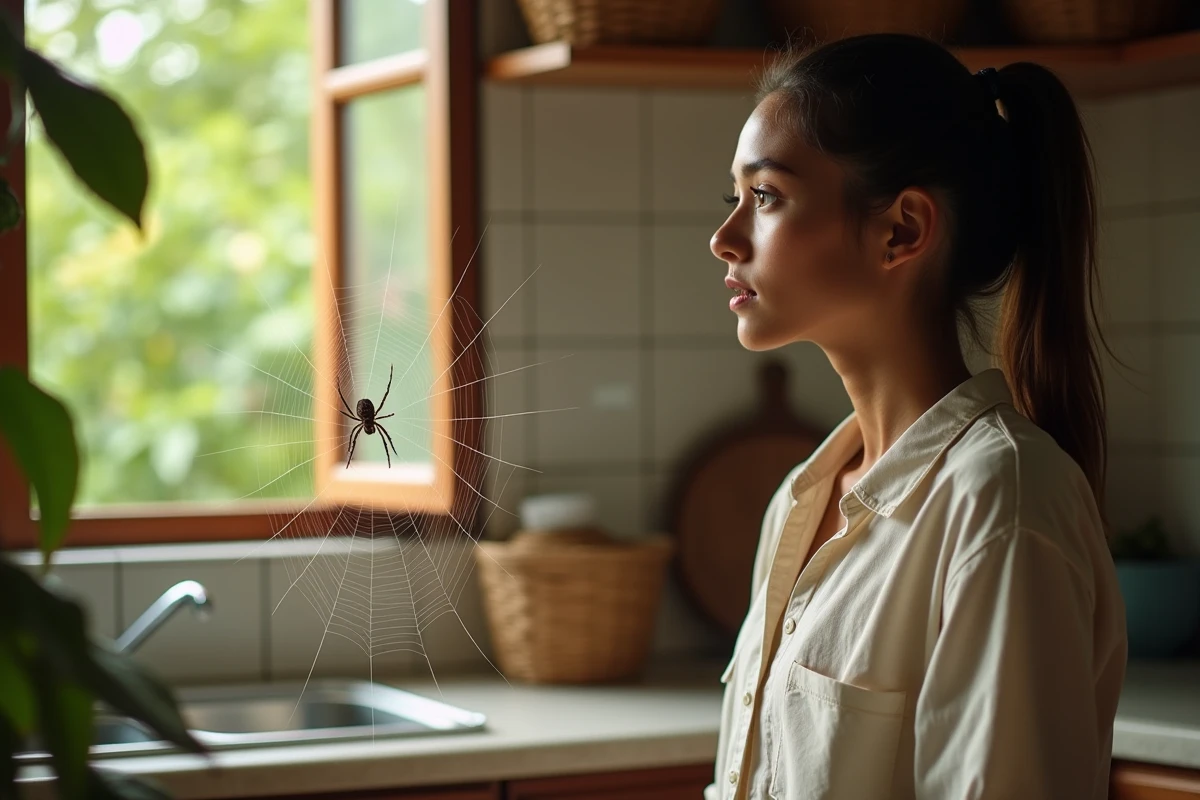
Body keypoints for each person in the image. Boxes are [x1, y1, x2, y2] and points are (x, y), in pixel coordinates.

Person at [705, 33, 1127, 800]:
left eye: (764, 197)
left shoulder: (1003, 503)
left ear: (901, 229)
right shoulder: (803, 500)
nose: (724, 238)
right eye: (734, 198)